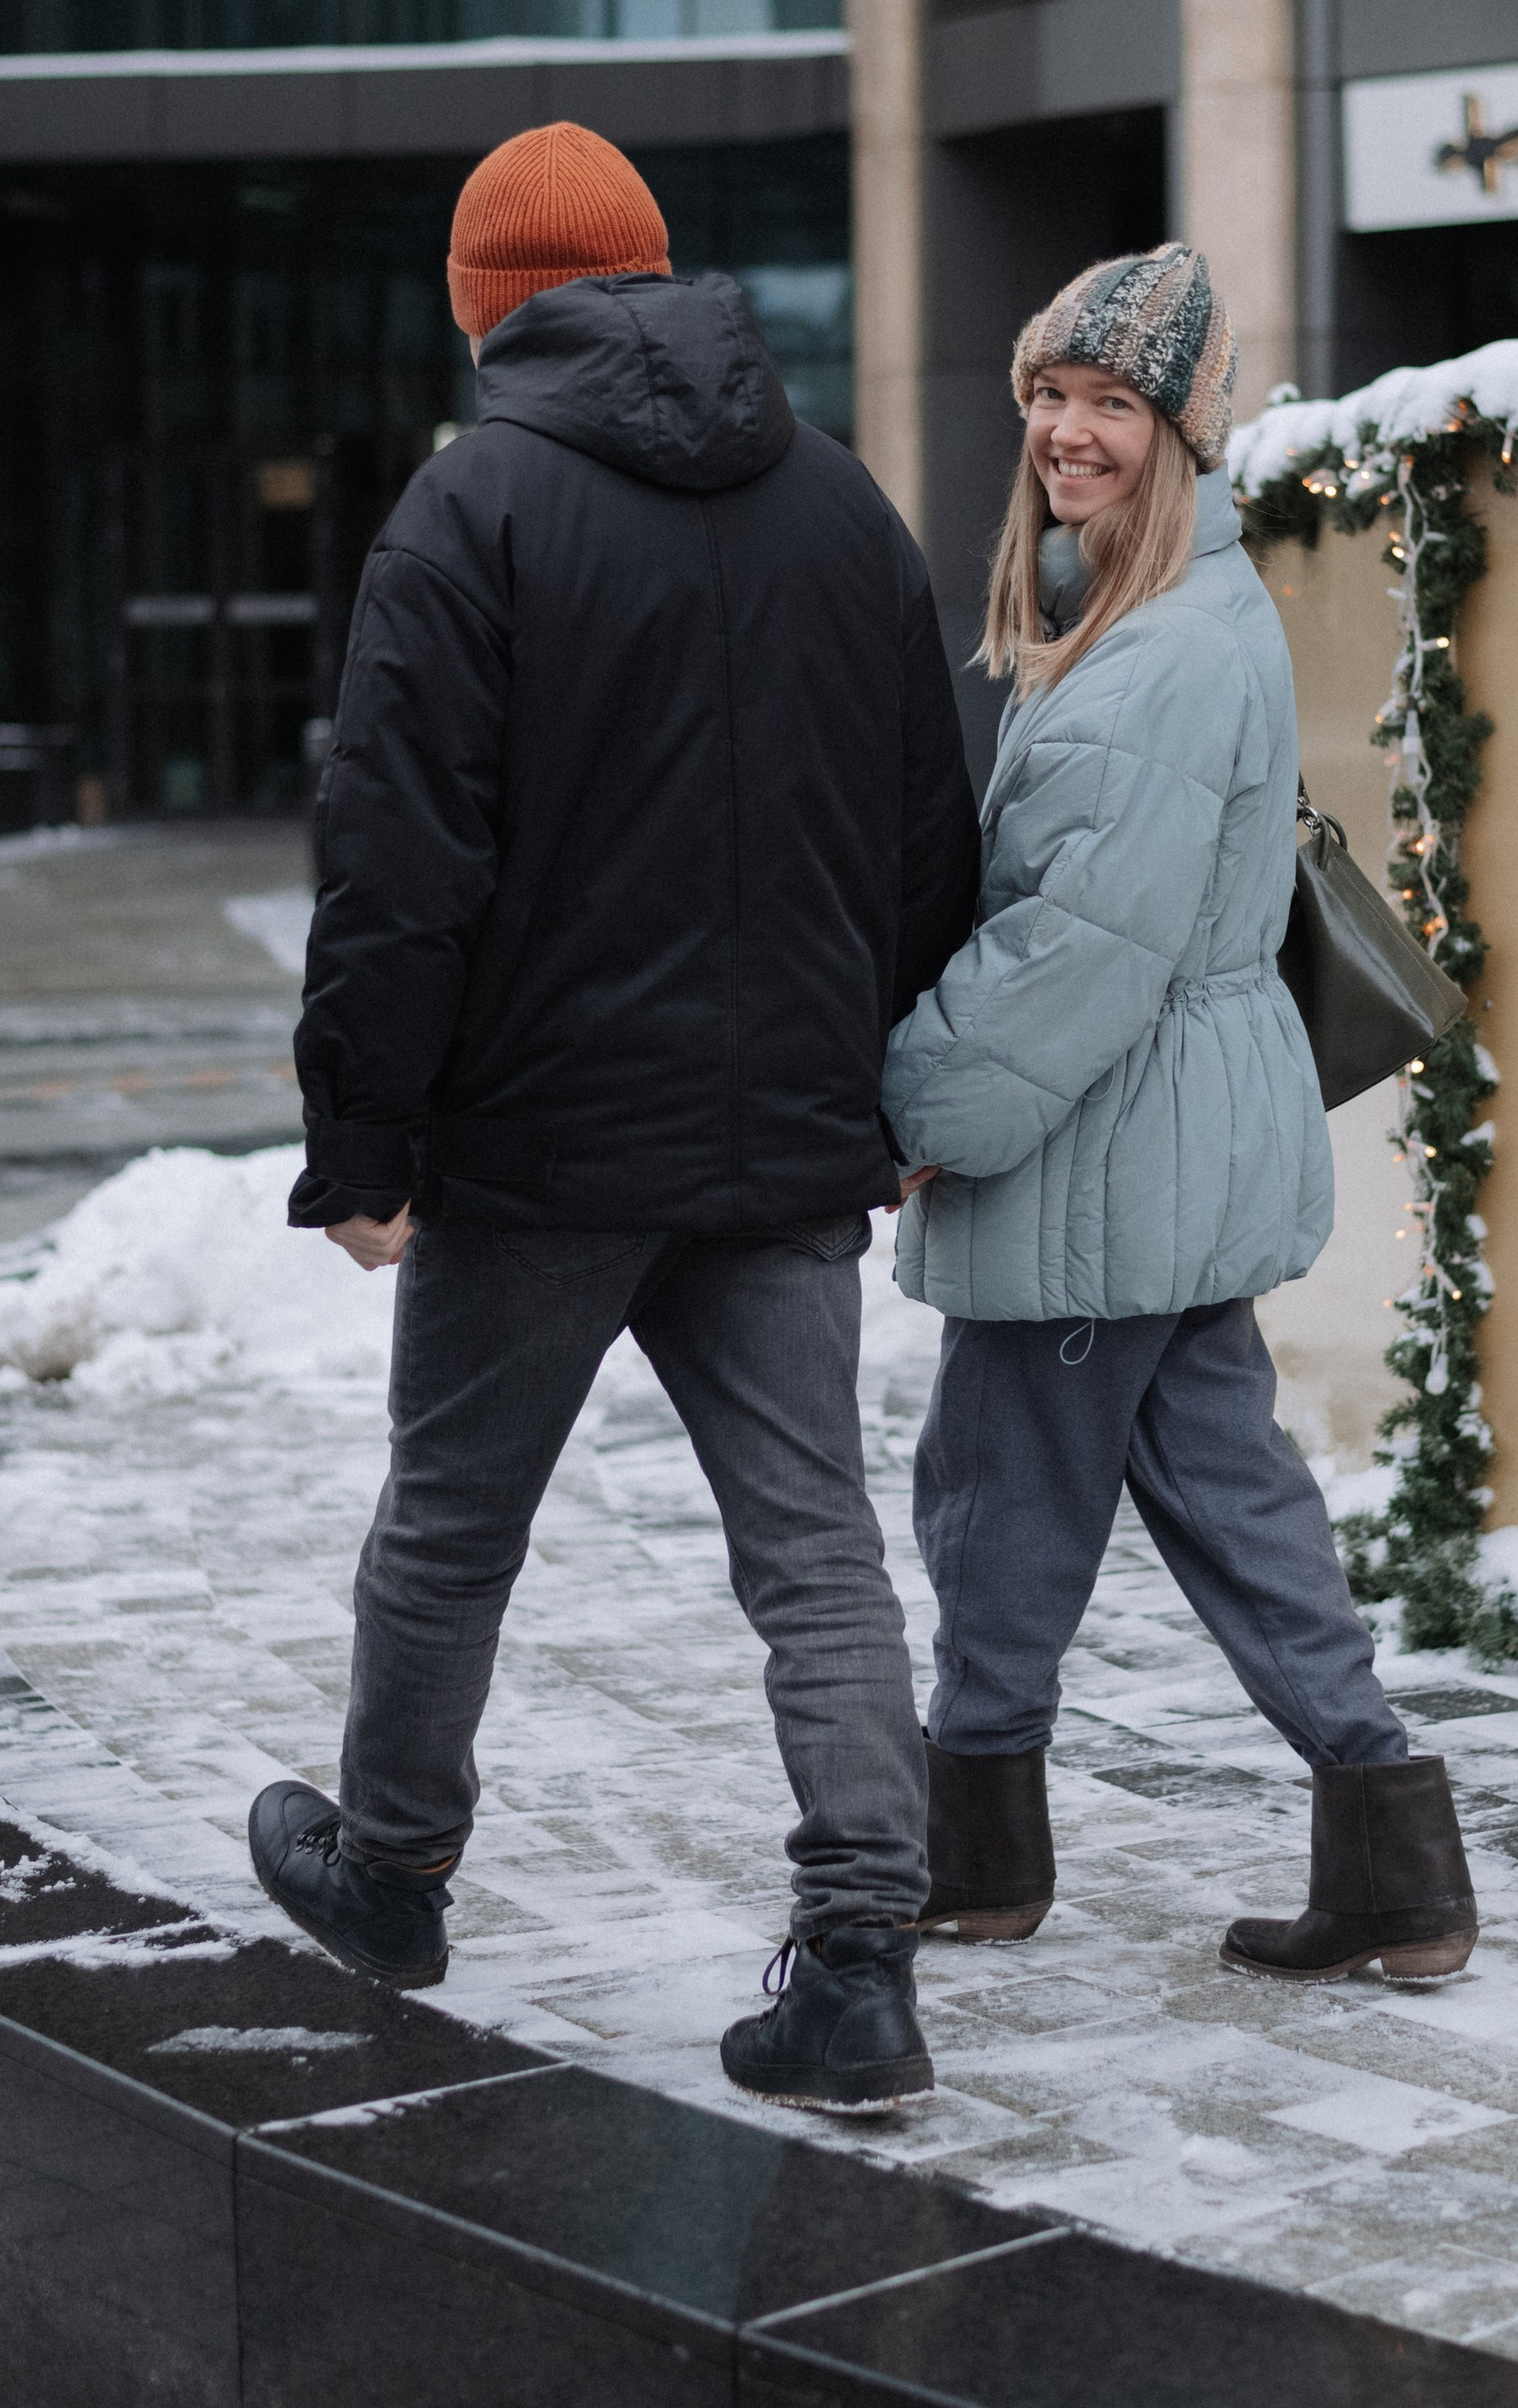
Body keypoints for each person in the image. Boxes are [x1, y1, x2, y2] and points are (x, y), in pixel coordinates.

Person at [247, 120, 981, 2113]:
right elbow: (931, 838)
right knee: (817, 1549)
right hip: (780, 1156)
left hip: (542, 1153)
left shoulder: (466, 514)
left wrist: (364, 1140)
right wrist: (885, 1069)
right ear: (656, 279)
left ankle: (391, 1874)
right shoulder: (841, 505)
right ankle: (857, 1964)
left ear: (492, 306)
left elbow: (395, 866)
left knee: (451, 1530)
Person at [882, 244, 1477, 1981]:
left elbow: (1081, 952)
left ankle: (978, 1863)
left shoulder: (1150, 659)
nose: (1070, 432)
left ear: (1182, 431)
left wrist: (916, 1102)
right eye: (1052, 397)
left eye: (1111, 404)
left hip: (1101, 1161)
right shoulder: (1168, 610)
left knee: (998, 1509)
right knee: (1234, 1504)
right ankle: (1396, 1865)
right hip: (1167, 1153)